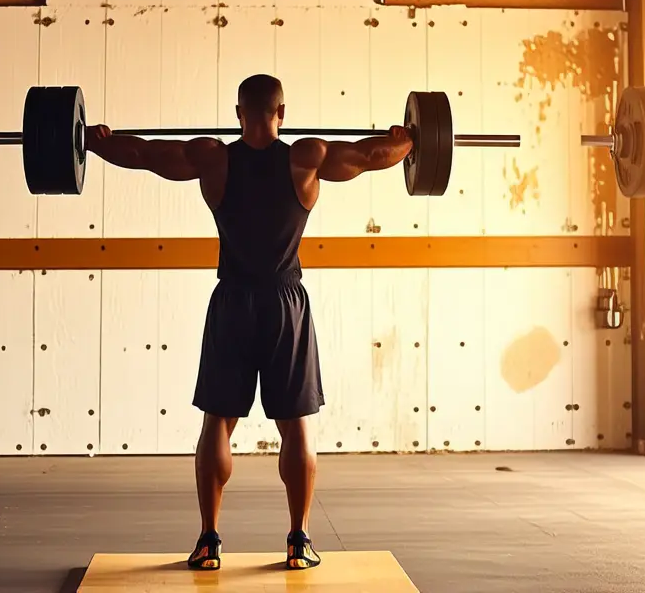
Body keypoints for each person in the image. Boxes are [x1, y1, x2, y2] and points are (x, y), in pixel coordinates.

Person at [83, 74, 413, 571]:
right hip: (286, 305)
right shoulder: (307, 157)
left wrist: (93, 141)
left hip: (232, 301)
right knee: (295, 425)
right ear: (282, 112)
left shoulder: (213, 158)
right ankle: (299, 539)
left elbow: (146, 155)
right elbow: (371, 157)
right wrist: (409, 139)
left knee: (218, 420)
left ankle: (209, 540)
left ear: (239, 113)